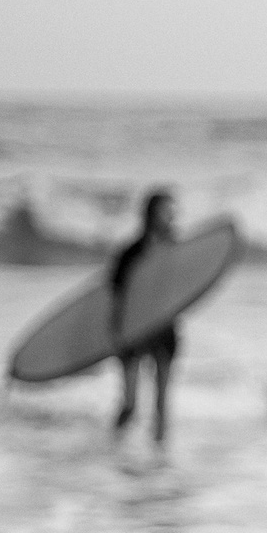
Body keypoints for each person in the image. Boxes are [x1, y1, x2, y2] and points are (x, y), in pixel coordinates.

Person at [107, 189, 180, 446]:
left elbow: (186, 289)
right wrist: (117, 333)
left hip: (164, 331)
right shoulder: (131, 254)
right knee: (130, 404)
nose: (172, 217)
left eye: (173, 211)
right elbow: (116, 295)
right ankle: (113, 449)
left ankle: (159, 462)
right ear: (151, 214)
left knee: (161, 406)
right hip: (132, 331)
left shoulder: (177, 252)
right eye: (166, 211)